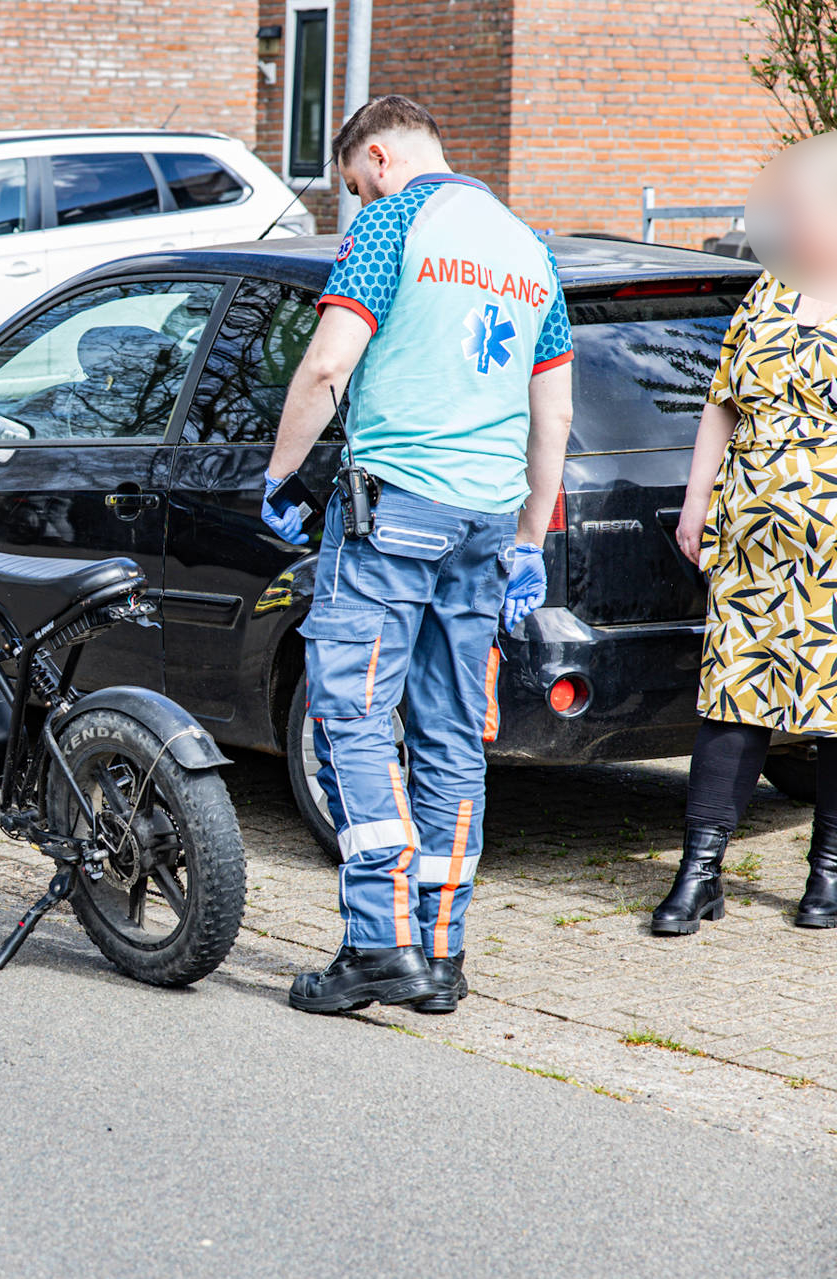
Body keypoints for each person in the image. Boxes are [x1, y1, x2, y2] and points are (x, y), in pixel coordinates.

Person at [261, 96, 574, 1014]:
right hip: (484, 520)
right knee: (449, 731)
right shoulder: (529, 247)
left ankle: (375, 944)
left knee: (350, 713)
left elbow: (327, 366)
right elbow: (552, 415)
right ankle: (441, 957)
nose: (357, 202)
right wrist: (527, 539)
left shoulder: (395, 223)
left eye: (355, 184)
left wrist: (281, 477)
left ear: (382, 157)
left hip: (396, 506)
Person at [656, 268, 837, 933]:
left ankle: (829, 870)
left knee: (836, 699)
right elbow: (722, 399)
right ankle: (699, 872)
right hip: (753, 528)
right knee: (735, 687)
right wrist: (696, 499)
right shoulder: (772, 285)